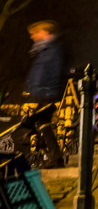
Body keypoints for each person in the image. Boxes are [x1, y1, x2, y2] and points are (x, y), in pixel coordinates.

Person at [21, 21, 66, 167]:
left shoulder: (52, 50)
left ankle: (54, 156)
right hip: (42, 92)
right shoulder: (44, 50)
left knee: (39, 122)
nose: (33, 37)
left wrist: (49, 92)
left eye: (35, 33)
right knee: (41, 123)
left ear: (45, 33)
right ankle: (51, 155)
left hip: (47, 93)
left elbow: (54, 72)